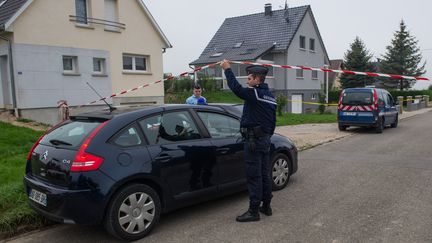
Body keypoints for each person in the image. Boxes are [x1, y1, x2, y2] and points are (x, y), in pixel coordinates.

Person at [221, 59, 277, 222]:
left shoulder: (255, 93)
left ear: (258, 80)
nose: (247, 81)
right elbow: (273, 122)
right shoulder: (270, 97)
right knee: (264, 174)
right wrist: (267, 136)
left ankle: (254, 211)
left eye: (250, 78)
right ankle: (266, 206)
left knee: (254, 176)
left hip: (253, 141)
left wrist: (227, 70)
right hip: (264, 140)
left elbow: (236, 89)